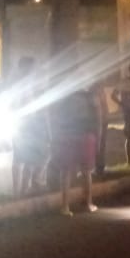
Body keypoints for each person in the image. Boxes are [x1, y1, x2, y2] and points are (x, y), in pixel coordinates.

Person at [50, 87, 99, 215]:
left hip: (67, 136)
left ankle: (65, 206)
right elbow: (97, 118)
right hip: (86, 136)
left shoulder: (64, 97)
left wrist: (55, 137)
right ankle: (88, 204)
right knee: (86, 171)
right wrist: (98, 137)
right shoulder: (89, 96)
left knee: (65, 172)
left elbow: (55, 118)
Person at [11, 56, 50, 197]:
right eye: (31, 68)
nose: (33, 71)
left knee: (28, 158)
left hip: (28, 126)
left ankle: (23, 188)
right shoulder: (20, 87)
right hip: (25, 126)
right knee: (22, 158)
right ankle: (20, 189)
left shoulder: (28, 85)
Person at [90, 80, 111, 178]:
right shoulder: (98, 91)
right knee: (100, 145)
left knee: (99, 145)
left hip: (99, 121)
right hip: (100, 121)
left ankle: (99, 167)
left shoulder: (94, 91)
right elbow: (103, 107)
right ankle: (99, 167)